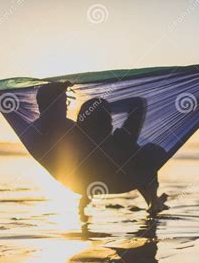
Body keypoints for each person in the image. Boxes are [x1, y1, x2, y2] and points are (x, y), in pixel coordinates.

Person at [34, 82, 169, 214]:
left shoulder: (75, 137)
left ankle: (152, 201)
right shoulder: (121, 140)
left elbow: (49, 112)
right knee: (147, 152)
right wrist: (107, 107)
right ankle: (153, 200)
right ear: (108, 123)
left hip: (85, 184)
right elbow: (138, 104)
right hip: (121, 180)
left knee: (133, 154)